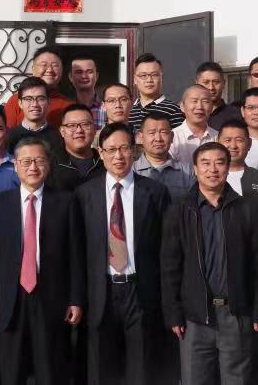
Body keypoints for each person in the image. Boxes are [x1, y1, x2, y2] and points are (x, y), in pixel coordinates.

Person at [75, 122, 174, 384]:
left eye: (124, 148)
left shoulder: (155, 192)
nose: (118, 156)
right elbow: (77, 251)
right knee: (101, 369)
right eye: (111, 150)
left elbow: (167, 251)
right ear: (100, 153)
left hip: (140, 293)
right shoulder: (84, 194)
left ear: (134, 151)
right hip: (101, 292)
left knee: (141, 369)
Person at [0, 137, 85, 385]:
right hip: (10, 297)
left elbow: (75, 253)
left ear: (48, 164)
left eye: (39, 161)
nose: (33, 167)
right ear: (15, 165)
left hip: (51, 297)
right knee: (11, 371)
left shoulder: (66, 201)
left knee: (50, 370)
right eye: (26, 162)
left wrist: (76, 298)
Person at [161, 143, 258, 385]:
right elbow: (169, 268)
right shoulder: (179, 210)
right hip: (195, 316)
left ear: (228, 168)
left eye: (219, 163)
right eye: (205, 163)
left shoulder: (245, 208)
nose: (213, 169)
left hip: (235, 313)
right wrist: (174, 313)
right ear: (195, 169)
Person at [5, 46, 74, 129]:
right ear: (33, 69)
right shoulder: (17, 100)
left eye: (55, 65)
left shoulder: (69, 105)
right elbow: (6, 133)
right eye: (44, 65)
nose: (49, 70)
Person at [133, 112, 195, 204]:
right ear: (140, 137)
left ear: (172, 137)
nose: (158, 139)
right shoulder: (131, 171)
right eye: (152, 133)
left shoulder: (187, 172)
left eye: (164, 132)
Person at [50, 103, 105, 191]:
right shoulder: (50, 164)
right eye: (71, 125)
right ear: (62, 131)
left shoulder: (105, 162)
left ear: (95, 129)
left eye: (85, 124)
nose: (79, 130)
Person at [6, 77, 64, 155]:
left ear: (49, 102)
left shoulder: (58, 137)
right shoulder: (10, 137)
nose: (35, 104)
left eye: (40, 99)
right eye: (28, 99)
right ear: (20, 103)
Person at [128, 53, 184, 132]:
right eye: (143, 75)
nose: (149, 80)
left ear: (161, 78)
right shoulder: (129, 110)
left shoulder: (174, 110)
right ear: (135, 79)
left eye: (154, 75)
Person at [169, 84, 218, 166]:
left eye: (205, 101)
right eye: (194, 101)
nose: (199, 107)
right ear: (182, 107)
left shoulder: (218, 137)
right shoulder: (172, 138)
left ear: (212, 108)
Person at [218, 119, 258, 199]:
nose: (233, 146)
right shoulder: (207, 177)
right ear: (217, 142)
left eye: (239, 140)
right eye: (227, 140)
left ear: (249, 143)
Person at [196, 61, 242, 131]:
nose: (211, 87)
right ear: (197, 83)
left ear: (224, 83)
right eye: (206, 82)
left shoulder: (237, 115)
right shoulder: (185, 114)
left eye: (216, 82)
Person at [69, 55, 106, 129]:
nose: (84, 76)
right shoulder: (65, 107)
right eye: (79, 72)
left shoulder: (107, 108)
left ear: (97, 76)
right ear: (70, 77)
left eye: (89, 72)